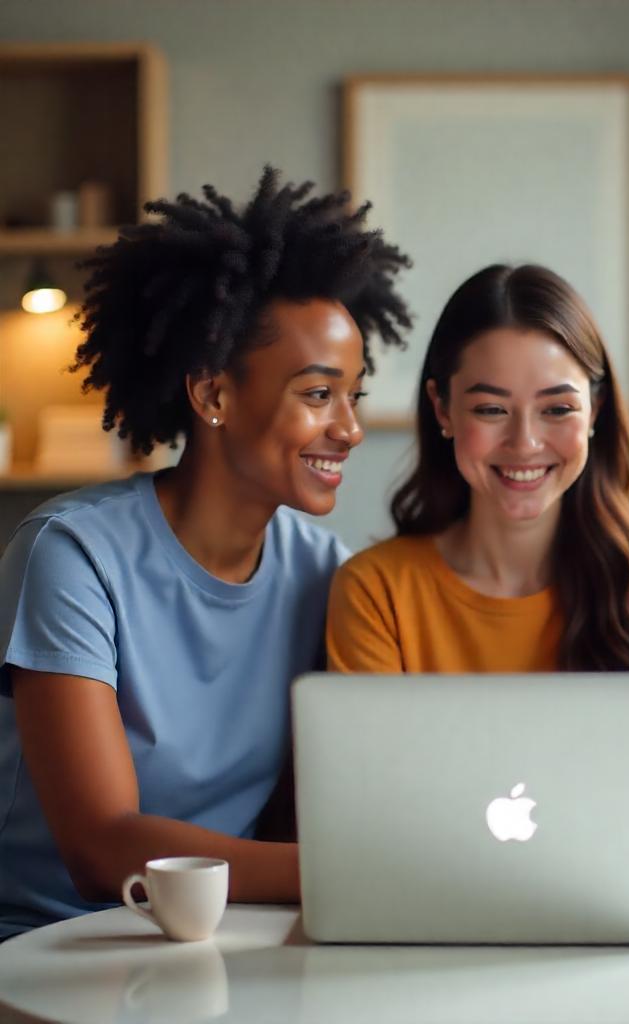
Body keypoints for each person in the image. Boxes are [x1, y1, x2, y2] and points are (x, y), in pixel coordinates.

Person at [0, 167, 411, 938]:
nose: (350, 428)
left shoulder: (326, 572)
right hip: (46, 943)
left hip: (225, 939)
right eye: (319, 394)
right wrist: (355, 868)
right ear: (213, 395)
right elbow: (102, 848)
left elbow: (314, 800)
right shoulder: (73, 557)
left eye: (354, 395)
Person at [326, 263, 629, 678]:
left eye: (557, 409)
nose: (525, 442)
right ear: (442, 408)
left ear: (595, 409)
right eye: (491, 409)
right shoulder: (376, 592)